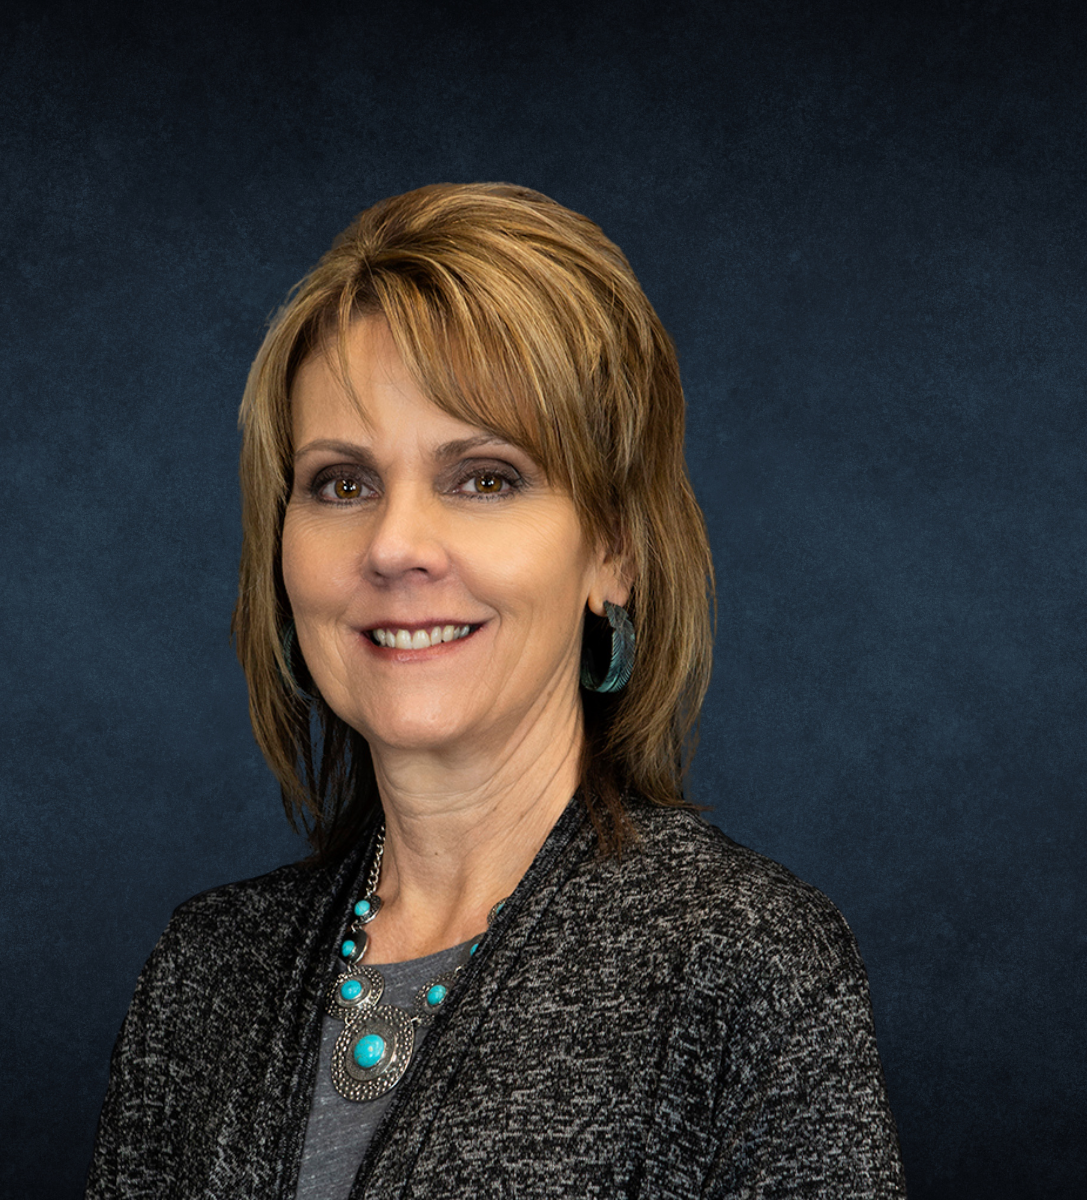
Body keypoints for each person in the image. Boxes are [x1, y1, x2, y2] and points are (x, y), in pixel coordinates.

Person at [86, 183, 906, 1198]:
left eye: (484, 478)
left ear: (615, 549)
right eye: (343, 483)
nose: (394, 546)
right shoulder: (205, 973)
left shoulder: (744, 963)